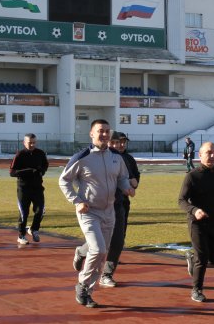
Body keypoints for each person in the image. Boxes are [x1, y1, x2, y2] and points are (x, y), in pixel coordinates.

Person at [59, 119, 134, 308]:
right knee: (98, 249)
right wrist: (77, 201)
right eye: (100, 131)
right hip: (89, 211)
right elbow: (64, 181)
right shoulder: (82, 157)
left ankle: (87, 292)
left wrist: (127, 187)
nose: (105, 134)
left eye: (107, 131)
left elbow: (122, 177)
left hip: (109, 211)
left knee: (102, 254)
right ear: (91, 134)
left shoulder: (116, 156)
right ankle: (82, 285)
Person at [178, 141, 214, 303]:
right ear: (200, 155)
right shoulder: (192, 176)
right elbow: (181, 200)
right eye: (209, 153)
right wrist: (195, 210)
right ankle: (197, 290)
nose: (213, 156)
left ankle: (191, 258)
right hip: (196, 223)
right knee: (202, 258)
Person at [100, 131, 141, 287]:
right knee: (103, 239)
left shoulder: (128, 159)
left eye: (123, 142)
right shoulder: (103, 157)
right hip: (102, 204)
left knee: (118, 239)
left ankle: (107, 274)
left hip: (121, 204)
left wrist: (133, 183)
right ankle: (83, 251)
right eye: (117, 142)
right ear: (110, 143)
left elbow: (134, 179)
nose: (121, 145)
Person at [9, 133, 49, 244]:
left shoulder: (40, 153)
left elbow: (45, 165)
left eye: (34, 142)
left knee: (40, 210)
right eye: (29, 142)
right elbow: (12, 172)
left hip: (37, 188)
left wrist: (41, 171)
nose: (32, 144)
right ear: (24, 142)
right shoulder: (20, 155)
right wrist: (29, 171)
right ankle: (21, 235)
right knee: (24, 213)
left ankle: (34, 229)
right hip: (23, 188)